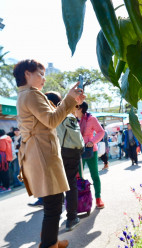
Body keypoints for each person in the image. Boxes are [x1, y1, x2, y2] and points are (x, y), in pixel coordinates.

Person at [14, 59, 85, 248]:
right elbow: (53, 120)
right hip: (42, 153)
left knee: (53, 201)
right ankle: (49, 244)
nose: (44, 79)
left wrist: (72, 102)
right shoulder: (31, 95)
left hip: (38, 152)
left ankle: (51, 240)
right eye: (40, 74)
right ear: (27, 74)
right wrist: (69, 99)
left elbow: (53, 115)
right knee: (54, 203)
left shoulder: (25, 95)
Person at [45, 91, 84, 232]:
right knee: (71, 183)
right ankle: (72, 218)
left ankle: (56, 217)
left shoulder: (50, 116)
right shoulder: (68, 114)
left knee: (57, 185)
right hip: (73, 151)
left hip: (59, 152)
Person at [75, 101, 105, 209]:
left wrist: (92, 141)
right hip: (77, 151)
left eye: (75, 107)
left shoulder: (91, 119)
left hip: (90, 150)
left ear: (81, 108)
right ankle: (81, 199)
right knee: (78, 176)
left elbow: (101, 132)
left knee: (95, 175)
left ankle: (98, 198)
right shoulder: (72, 119)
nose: (73, 109)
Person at [0, 129, 14, 193]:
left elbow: (2, 148)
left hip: (3, 160)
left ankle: (6, 187)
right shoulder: (7, 138)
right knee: (5, 173)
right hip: (7, 158)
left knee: (4, 174)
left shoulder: (2, 139)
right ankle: (6, 186)